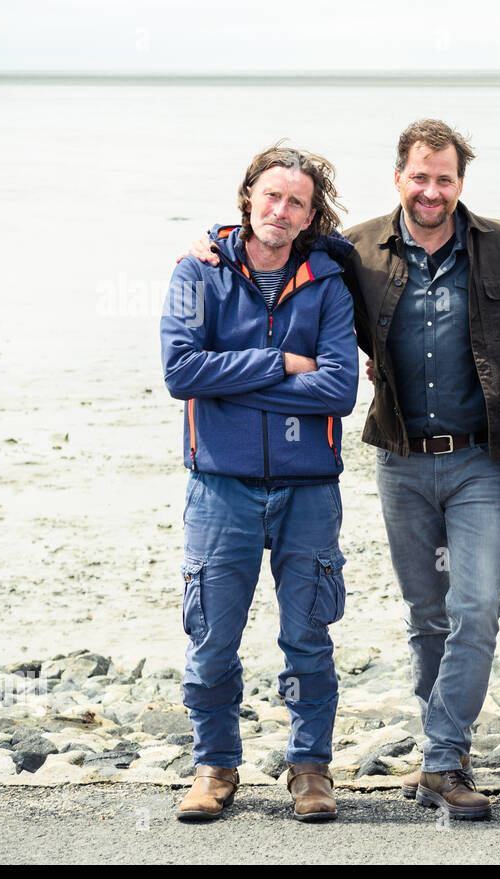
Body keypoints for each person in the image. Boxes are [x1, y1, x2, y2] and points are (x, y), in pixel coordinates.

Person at [161, 143, 358, 822]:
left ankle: (310, 771)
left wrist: (237, 383)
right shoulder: (198, 271)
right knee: (213, 635)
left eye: (296, 202)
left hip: (309, 489)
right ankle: (215, 768)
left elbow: (338, 390)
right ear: (247, 196)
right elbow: (182, 373)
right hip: (220, 487)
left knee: (308, 636)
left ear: (310, 215)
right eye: (271, 195)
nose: (280, 210)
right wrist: (281, 362)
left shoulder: (328, 282)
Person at [346, 119, 500, 821]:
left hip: (479, 463)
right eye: (420, 178)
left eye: (445, 179)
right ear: (400, 177)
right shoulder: (358, 250)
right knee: (427, 616)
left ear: (461, 181)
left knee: (476, 609)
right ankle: (442, 754)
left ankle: (442, 758)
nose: (432, 191)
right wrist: (211, 247)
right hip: (400, 461)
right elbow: (276, 257)